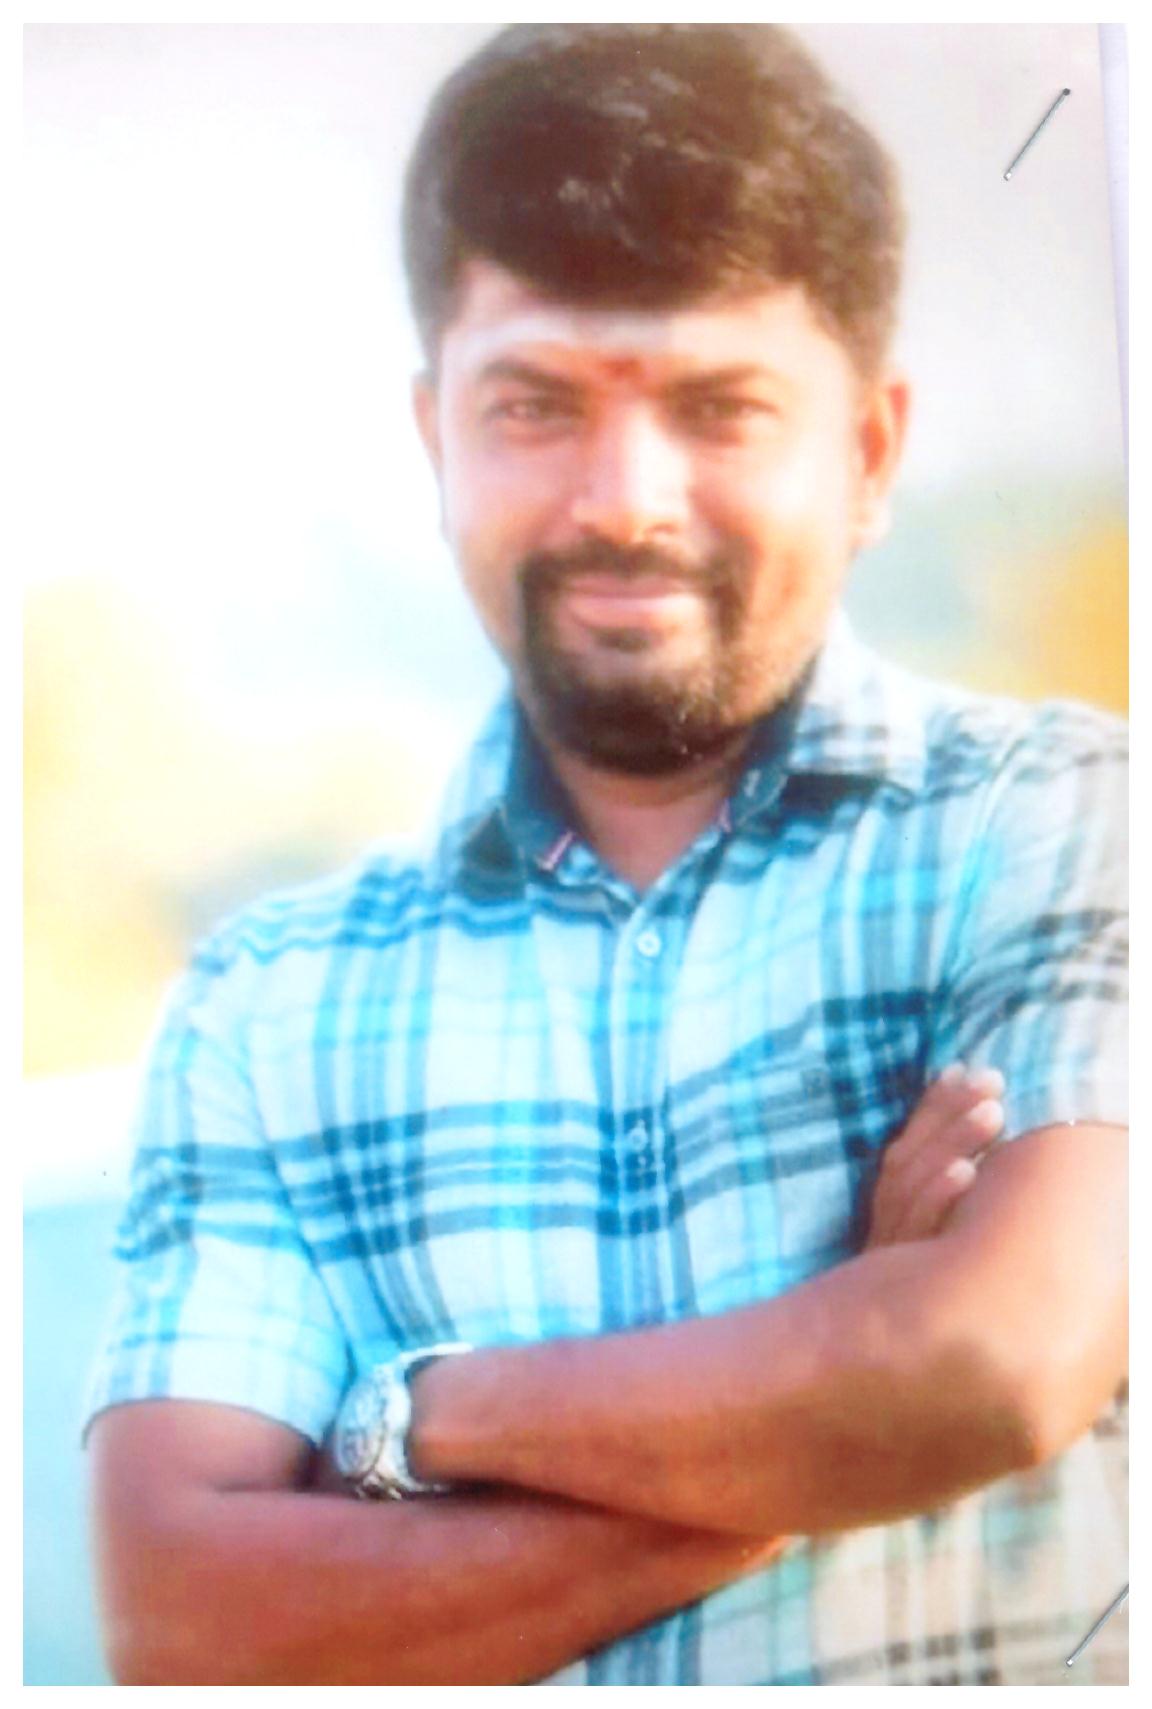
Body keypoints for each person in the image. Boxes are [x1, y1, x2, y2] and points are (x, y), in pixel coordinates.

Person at [85, 23, 1127, 1687]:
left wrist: (423, 1411)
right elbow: (187, 1625)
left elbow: (998, 1364)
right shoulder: (264, 1007)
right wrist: (840, 1370)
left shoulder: (1065, 821)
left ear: (869, 450)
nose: (625, 499)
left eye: (720, 407)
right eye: (538, 405)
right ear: (436, 439)